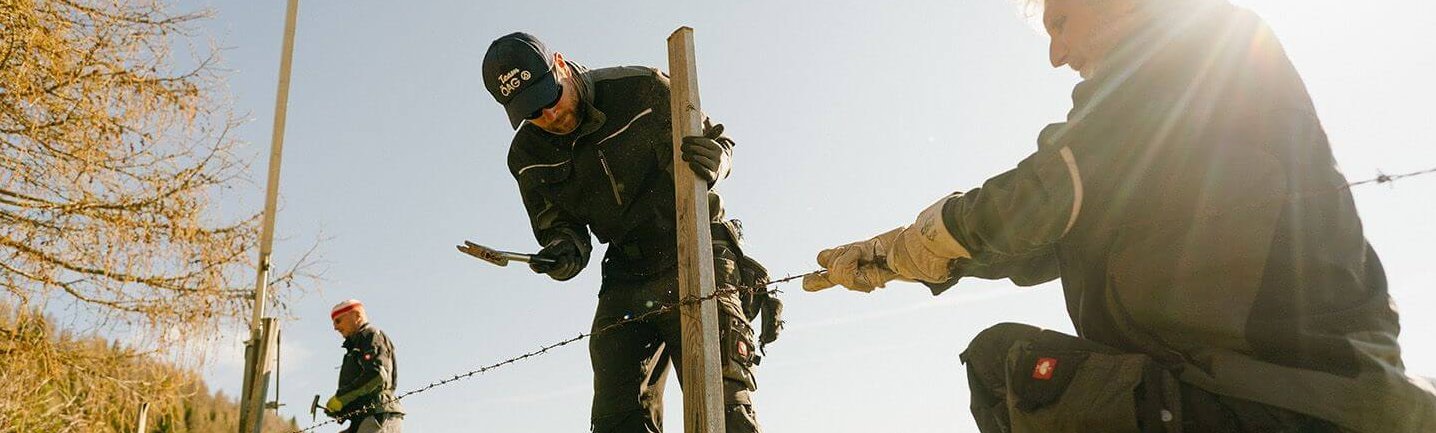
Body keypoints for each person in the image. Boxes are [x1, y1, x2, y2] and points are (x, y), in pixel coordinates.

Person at [803, 0, 1436, 432]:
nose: (1055, 53)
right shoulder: (1159, 112)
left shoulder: (1197, 46)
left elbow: (1049, 190)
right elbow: (1040, 232)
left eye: (1062, 22)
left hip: (1279, 401)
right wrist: (896, 259)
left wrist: (920, 242)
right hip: (1295, 395)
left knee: (1005, 367)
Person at [480, 32, 779, 433]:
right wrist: (561, 253)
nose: (549, 116)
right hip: (627, 270)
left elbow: (718, 142)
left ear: (562, 66)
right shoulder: (527, 158)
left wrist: (718, 159)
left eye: (550, 98)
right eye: (533, 112)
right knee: (616, 421)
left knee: (722, 408)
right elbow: (561, 227)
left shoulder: (642, 89)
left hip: (696, 244)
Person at [323, 299, 403, 433]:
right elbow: (362, 388)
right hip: (363, 416)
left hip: (378, 413)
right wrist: (343, 408)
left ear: (357, 315)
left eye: (338, 321)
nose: (335, 327)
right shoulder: (355, 345)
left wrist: (342, 398)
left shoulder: (370, 336)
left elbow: (376, 375)